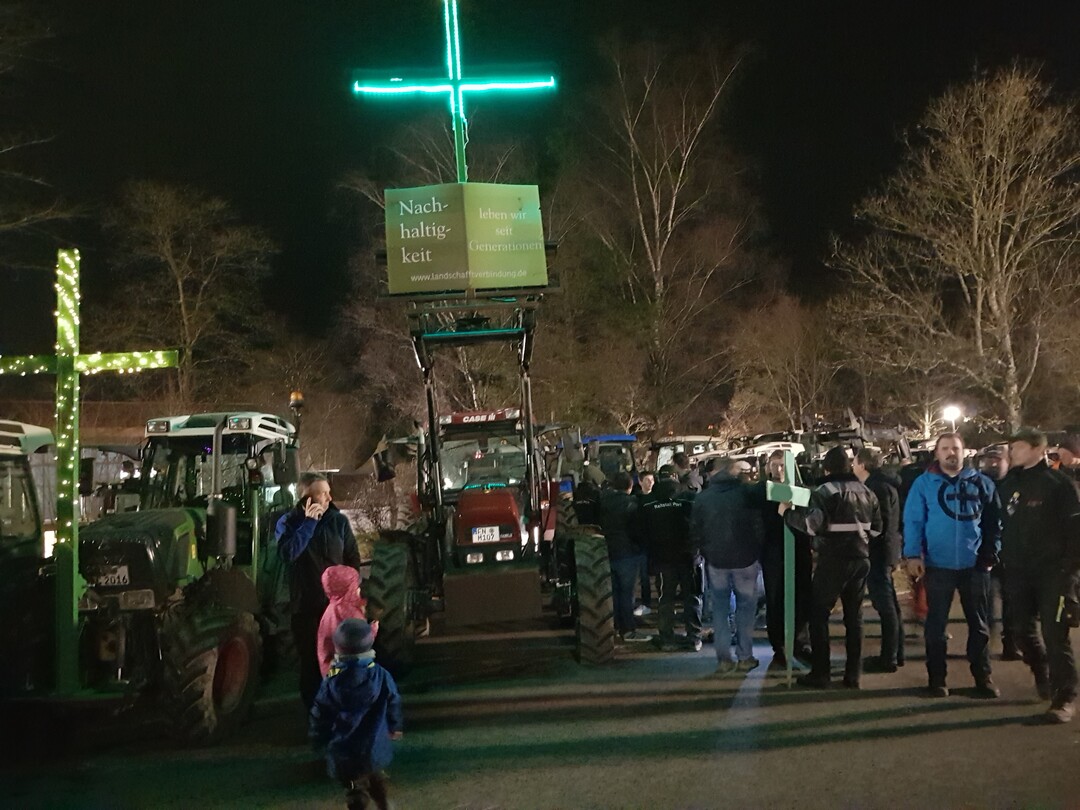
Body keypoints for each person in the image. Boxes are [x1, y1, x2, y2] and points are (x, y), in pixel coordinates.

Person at [903, 433, 1001, 699]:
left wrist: (990, 553)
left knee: (979, 626)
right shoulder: (924, 484)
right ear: (937, 453)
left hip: (975, 565)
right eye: (945, 448)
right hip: (937, 564)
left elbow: (994, 521)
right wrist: (912, 555)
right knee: (935, 627)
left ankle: (983, 677)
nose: (951, 453)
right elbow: (913, 521)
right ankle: (937, 679)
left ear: (963, 452)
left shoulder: (982, 483)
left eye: (955, 448)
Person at [782, 446, 881, 689]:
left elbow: (812, 525)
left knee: (819, 615)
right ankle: (853, 675)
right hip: (861, 559)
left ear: (826, 469)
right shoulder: (867, 491)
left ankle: (821, 673)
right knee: (854, 618)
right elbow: (878, 529)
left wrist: (787, 514)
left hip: (833, 560)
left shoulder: (825, 491)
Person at [999, 427, 1080, 723]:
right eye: (1011, 447)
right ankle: (1041, 670)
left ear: (1037, 449)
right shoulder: (1008, 484)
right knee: (1020, 631)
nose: (1013, 452)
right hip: (1017, 571)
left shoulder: (1058, 484)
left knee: (1055, 634)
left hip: (1053, 572)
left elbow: (1075, 529)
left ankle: (1064, 697)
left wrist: (1070, 571)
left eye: (1018, 447)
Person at [279, 474, 363, 709]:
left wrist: (350, 592)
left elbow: (352, 557)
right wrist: (308, 524)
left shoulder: (339, 522)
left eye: (328, 492)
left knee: (343, 660)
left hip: (337, 609)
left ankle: (344, 711)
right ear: (307, 497)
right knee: (311, 665)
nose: (329, 498)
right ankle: (316, 714)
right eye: (322, 493)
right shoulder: (288, 522)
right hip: (306, 607)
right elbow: (288, 554)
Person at [310, 619, 403, 810]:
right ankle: (383, 803)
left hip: (344, 749)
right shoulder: (381, 675)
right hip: (374, 745)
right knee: (375, 776)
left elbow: (320, 712)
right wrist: (394, 726)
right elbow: (393, 701)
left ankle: (357, 801)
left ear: (338, 648)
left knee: (353, 784)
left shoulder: (331, 680)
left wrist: (318, 736)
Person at [691, 458, 764, 675]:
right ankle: (745, 656)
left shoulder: (703, 498)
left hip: (716, 561)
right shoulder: (746, 493)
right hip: (745, 559)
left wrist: (704, 552)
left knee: (720, 609)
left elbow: (695, 530)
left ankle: (724, 659)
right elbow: (758, 524)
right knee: (746, 609)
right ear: (733, 471)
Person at [853, 448, 905, 673]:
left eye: (855, 462)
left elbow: (878, 524)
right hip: (886, 550)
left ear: (862, 465)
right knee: (890, 603)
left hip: (878, 553)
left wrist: (866, 540)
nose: (852, 466)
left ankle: (889, 657)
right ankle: (895, 653)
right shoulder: (884, 484)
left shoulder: (876, 487)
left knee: (885, 605)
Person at [758, 450, 813, 667]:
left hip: (799, 550)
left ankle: (801, 642)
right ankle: (779, 646)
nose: (779, 469)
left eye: (783, 465)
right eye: (775, 465)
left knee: (801, 597)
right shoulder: (763, 491)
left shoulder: (802, 491)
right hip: (773, 552)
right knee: (775, 599)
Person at [641, 472, 702, 651]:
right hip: (689, 557)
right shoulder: (690, 499)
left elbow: (641, 530)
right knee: (692, 598)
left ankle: (667, 638)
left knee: (665, 599)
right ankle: (694, 637)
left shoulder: (649, 503)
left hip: (663, 559)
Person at [978, 447, 1021, 660]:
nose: (993, 464)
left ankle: (1010, 643)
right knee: (983, 600)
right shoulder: (977, 484)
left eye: (998, 460)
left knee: (1011, 601)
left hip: (1010, 551)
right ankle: (983, 644)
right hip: (983, 550)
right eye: (990, 460)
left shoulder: (1015, 485)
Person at [599, 471, 649, 642]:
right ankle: (627, 629)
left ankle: (612, 627)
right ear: (630, 486)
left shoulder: (603, 502)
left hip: (607, 551)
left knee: (613, 593)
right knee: (627, 594)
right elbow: (638, 529)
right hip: (628, 553)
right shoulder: (632, 503)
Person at [318, 565, 379, 678]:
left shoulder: (331, 608)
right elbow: (360, 639)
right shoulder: (350, 612)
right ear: (350, 589)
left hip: (330, 668)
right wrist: (373, 628)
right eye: (356, 586)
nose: (359, 589)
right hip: (350, 669)